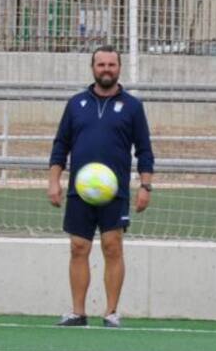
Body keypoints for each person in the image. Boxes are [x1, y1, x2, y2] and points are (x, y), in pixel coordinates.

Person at [48, 46, 154, 328]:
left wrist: (146, 186)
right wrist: (53, 182)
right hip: (79, 191)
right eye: (101, 64)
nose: (106, 69)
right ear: (92, 68)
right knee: (78, 247)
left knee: (112, 246)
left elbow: (144, 150)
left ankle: (110, 313)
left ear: (119, 68)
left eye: (111, 64)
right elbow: (61, 145)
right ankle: (78, 312)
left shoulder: (132, 106)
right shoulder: (76, 104)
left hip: (114, 192)